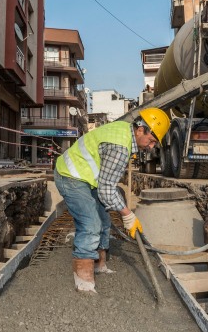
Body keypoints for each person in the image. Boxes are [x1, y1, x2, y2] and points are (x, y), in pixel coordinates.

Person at [54, 107, 171, 293]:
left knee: (104, 218)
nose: (150, 147)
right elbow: (107, 189)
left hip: (88, 178)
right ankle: (84, 282)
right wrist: (127, 214)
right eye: (151, 140)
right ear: (140, 130)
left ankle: (100, 264)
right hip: (71, 175)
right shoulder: (120, 147)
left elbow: (106, 186)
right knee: (91, 224)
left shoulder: (124, 132)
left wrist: (121, 209)